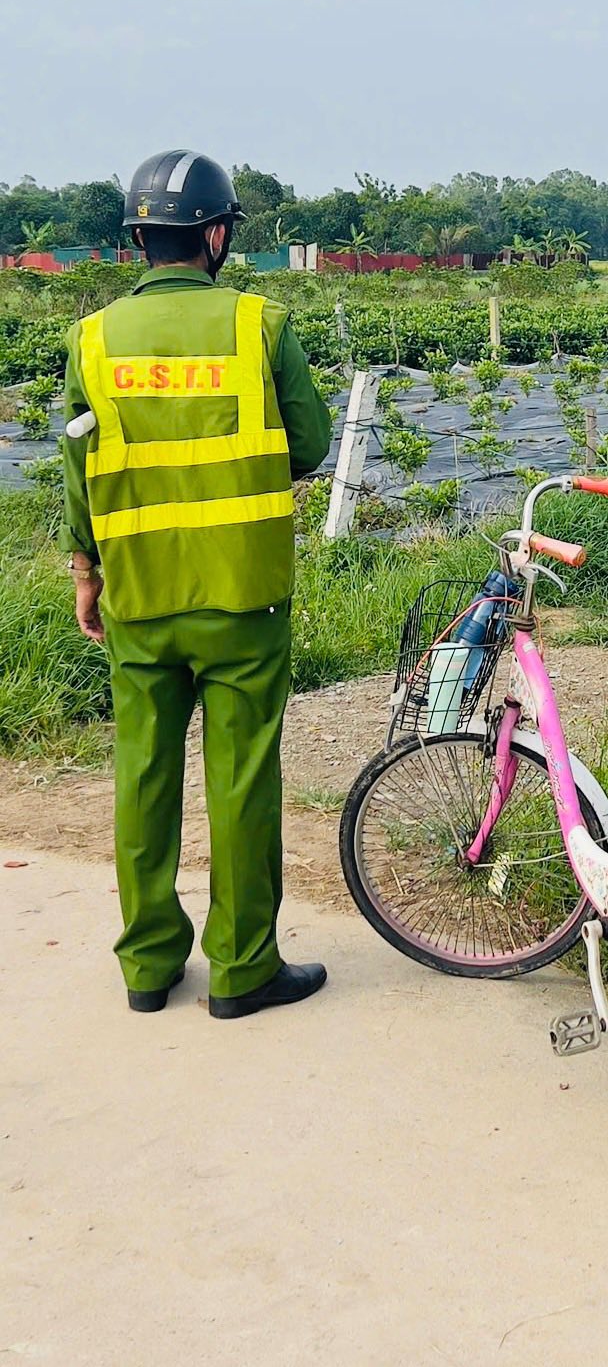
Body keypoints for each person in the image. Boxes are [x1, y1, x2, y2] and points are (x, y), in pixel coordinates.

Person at [61, 151, 334, 1017]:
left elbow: (79, 464)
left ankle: (147, 967)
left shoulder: (94, 337)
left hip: (139, 595)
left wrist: (85, 570)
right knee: (242, 779)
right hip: (241, 595)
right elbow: (313, 444)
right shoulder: (260, 325)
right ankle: (244, 969)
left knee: (142, 776)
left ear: (140, 238)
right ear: (216, 235)